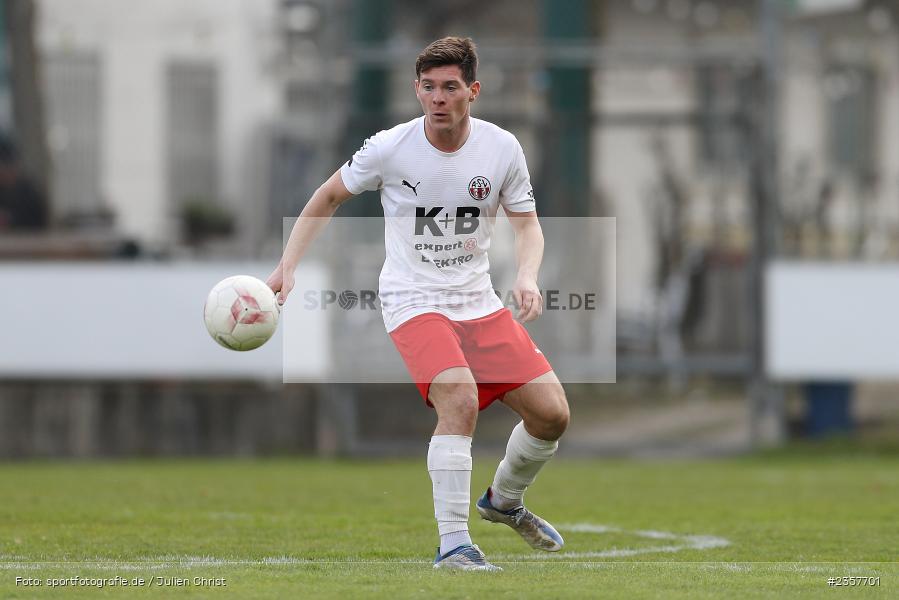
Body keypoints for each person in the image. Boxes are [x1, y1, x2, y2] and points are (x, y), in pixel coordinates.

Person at [267, 36, 569, 572]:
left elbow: (528, 225)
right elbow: (328, 195)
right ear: (416, 90)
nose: (437, 98)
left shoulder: (501, 148)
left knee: (552, 416)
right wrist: (288, 264)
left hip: (477, 301)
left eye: (450, 87)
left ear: (472, 91)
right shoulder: (389, 147)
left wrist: (527, 275)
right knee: (460, 396)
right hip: (413, 298)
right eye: (427, 87)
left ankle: (502, 502)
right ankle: (453, 544)